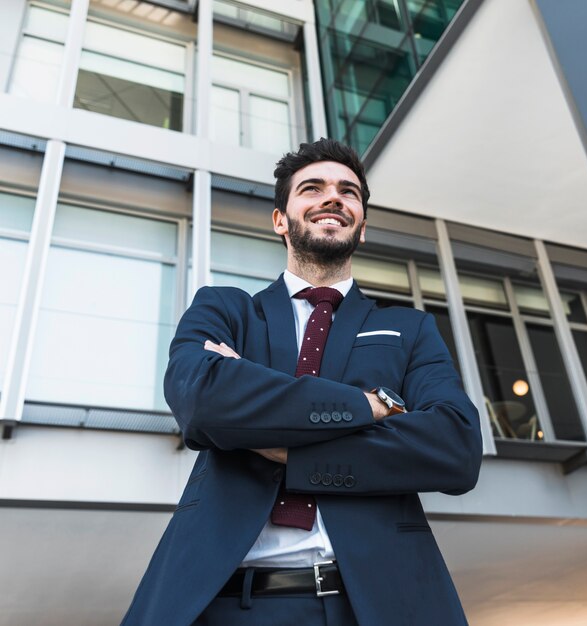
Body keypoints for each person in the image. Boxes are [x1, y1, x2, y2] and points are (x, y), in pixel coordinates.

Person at [121, 138, 482, 626]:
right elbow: (203, 401)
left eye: (348, 192)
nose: (333, 198)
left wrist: (289, 447)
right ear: (280, 220)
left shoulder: (410, 328)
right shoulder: (225, 309)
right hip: (223, 603)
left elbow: (455, 447)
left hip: (374, 604)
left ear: (362, 225)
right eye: (312, 188)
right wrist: (367, 405)